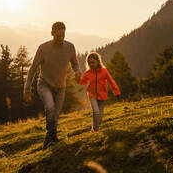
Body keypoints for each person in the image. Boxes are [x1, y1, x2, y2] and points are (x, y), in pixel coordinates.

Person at [24, 21, 81, 149]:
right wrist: (27, 89)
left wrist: (78, 71)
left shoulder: (70, 47)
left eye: (63, 36)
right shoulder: (43, 48)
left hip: (61, 87)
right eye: (58, 36)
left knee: (54, 117)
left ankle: (47, 142)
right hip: (44, 84)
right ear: (52, 33)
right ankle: (54, 139)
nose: (61, 38)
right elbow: (33, 68)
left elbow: (75, 63)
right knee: (50, 108)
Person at [77, 52, 120, 132]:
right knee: (96, 112)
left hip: (102, 95)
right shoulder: (88, 73)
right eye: (89, 63)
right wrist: (78, 79)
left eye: (93, 62)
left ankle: (95, 126)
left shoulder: (104, 71)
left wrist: (116, 92)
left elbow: (111, 81)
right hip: (92, 95)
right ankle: (95, 129)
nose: (91, 64)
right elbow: (83, 82)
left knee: (100, 116)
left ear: (98, 61)